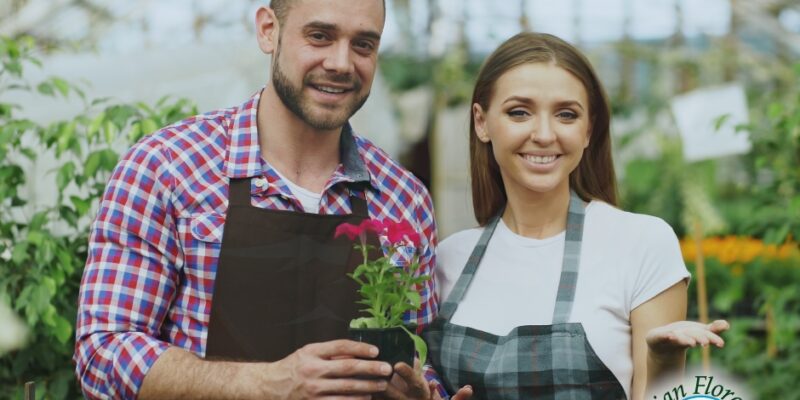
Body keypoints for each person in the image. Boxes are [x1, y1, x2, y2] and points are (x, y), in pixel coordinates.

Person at [73, 0, 443, 398]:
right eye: (320, 36)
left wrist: (424, 392)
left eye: (364, 45)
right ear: (269, 30)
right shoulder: (167, 167)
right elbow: (103, 352)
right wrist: (264, 384)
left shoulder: (404, 198)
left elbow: (423, 360)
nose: (341, 63)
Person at [412, 32, 729, 399]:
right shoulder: (448, 258)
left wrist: (664, 359)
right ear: (482, 122)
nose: (544, 134)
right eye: (519, 112)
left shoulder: (641, 243)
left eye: (566, 114)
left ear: (588, 129)